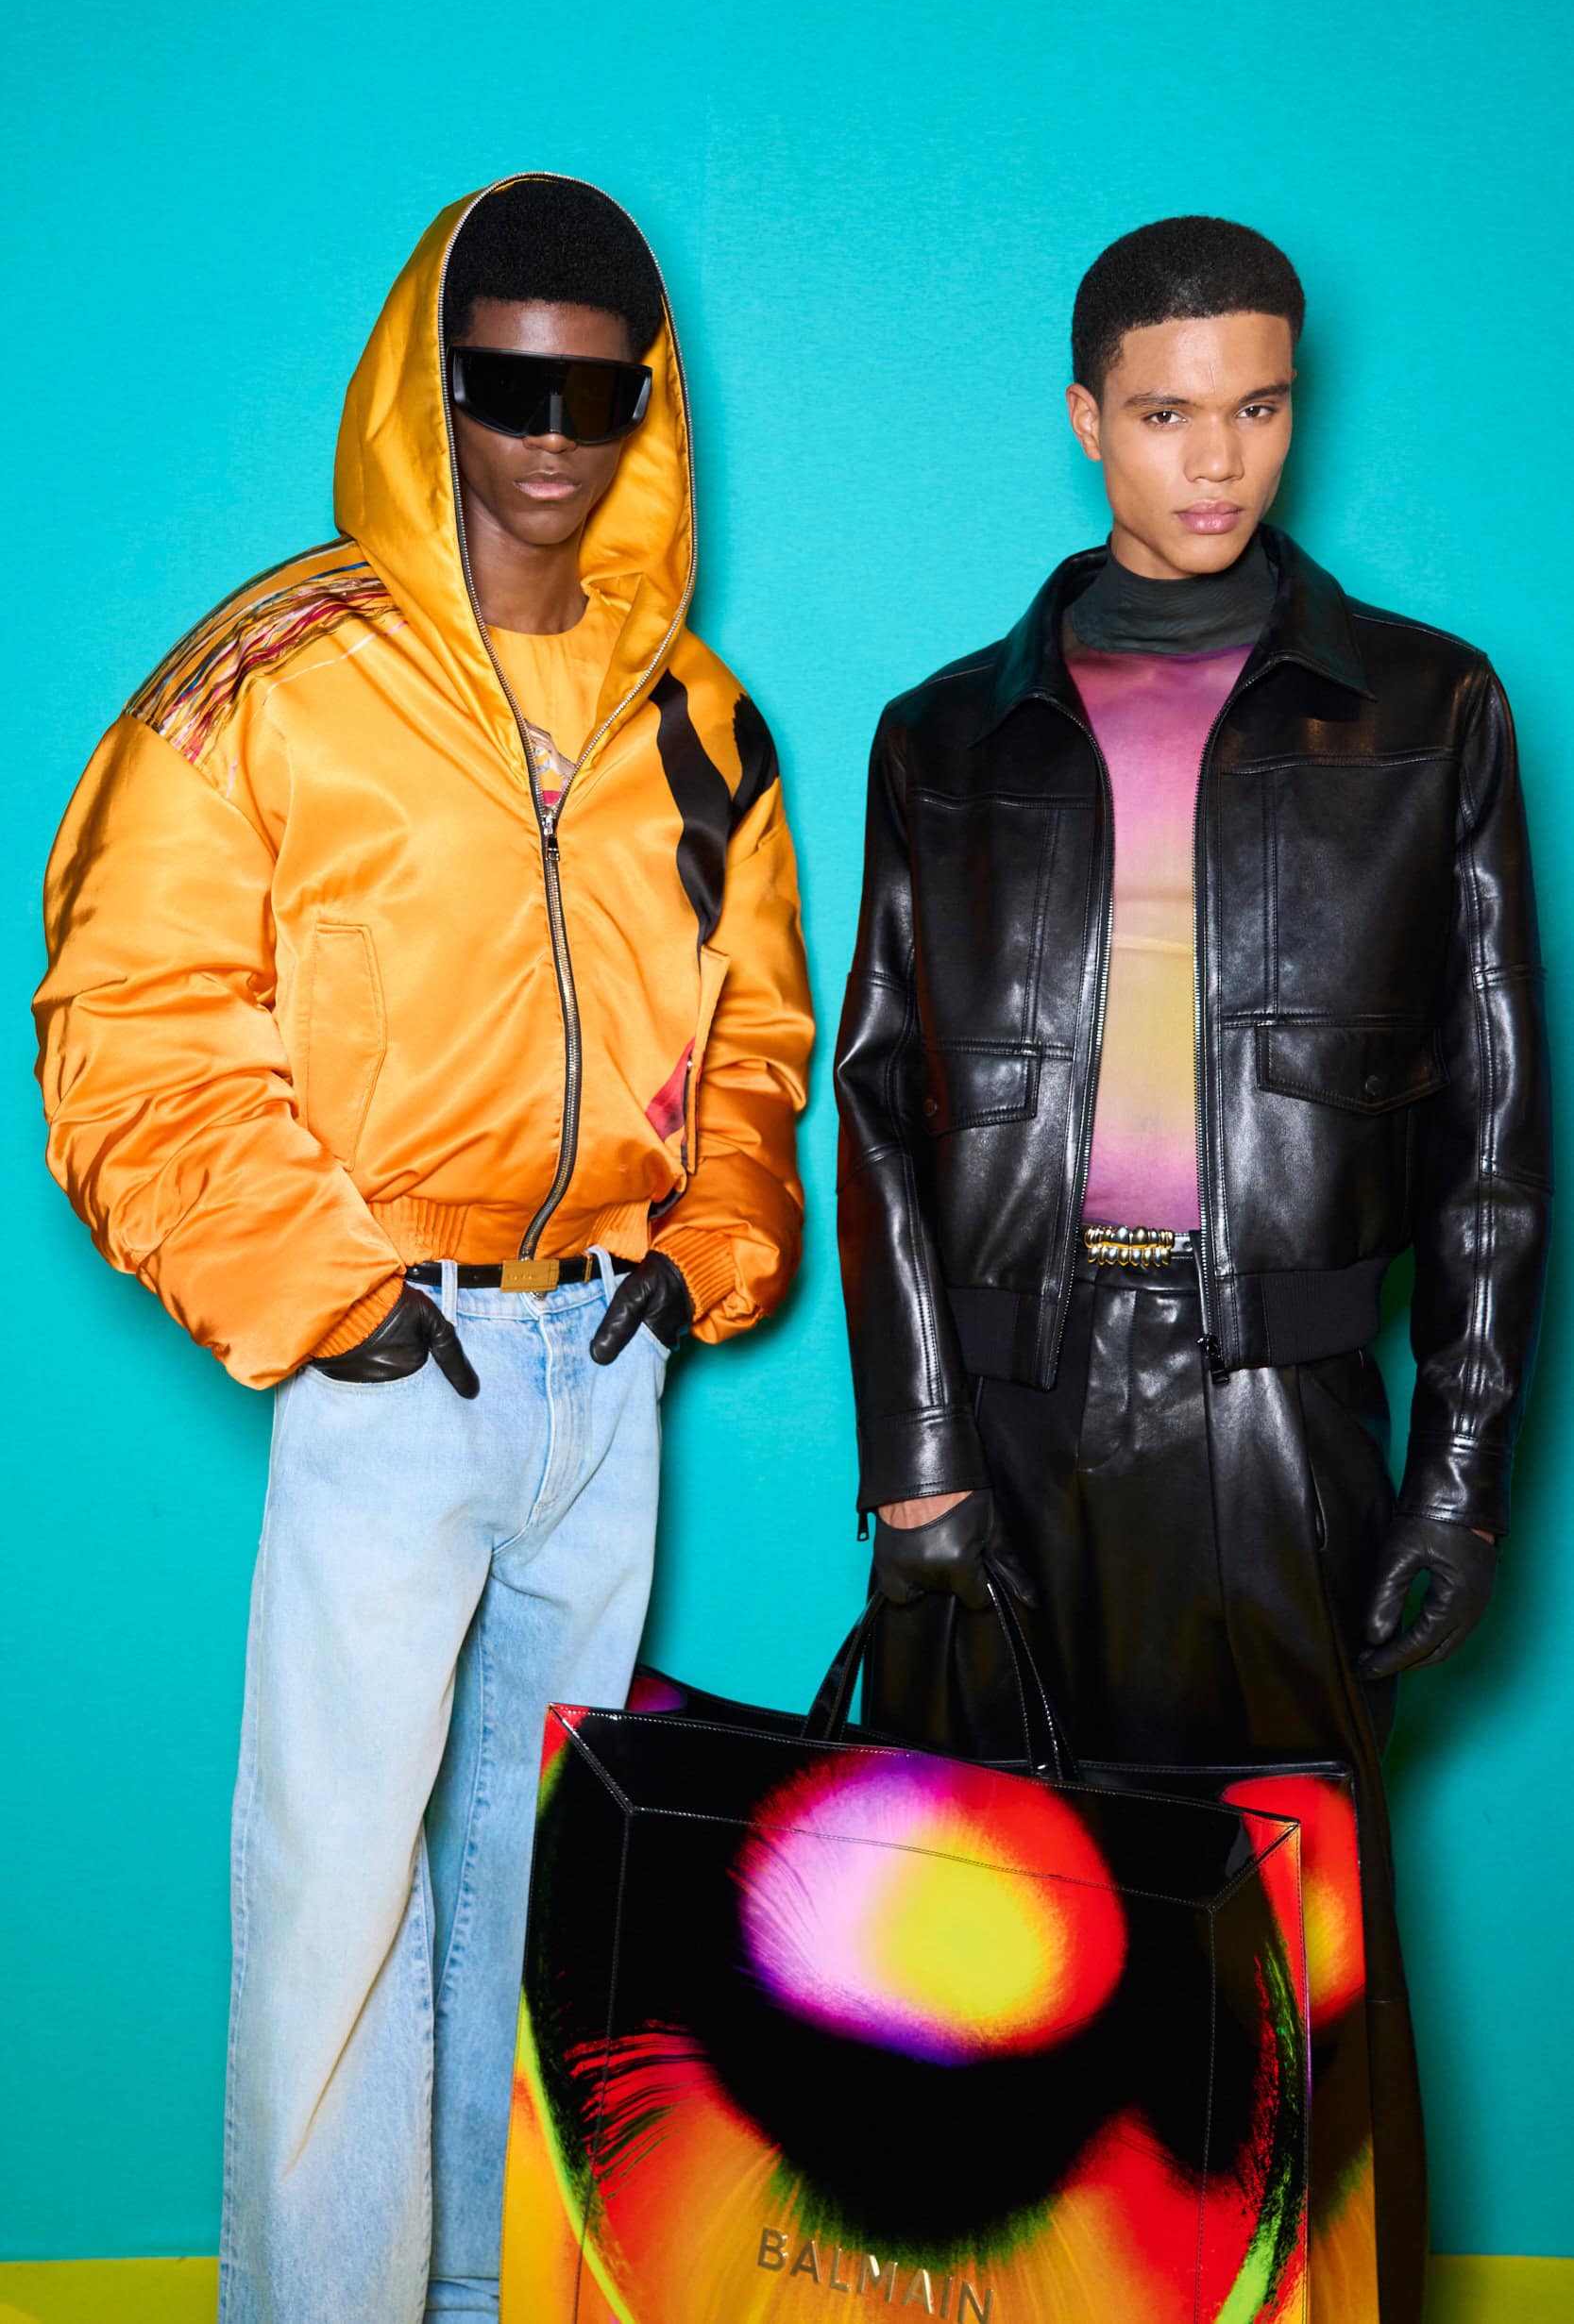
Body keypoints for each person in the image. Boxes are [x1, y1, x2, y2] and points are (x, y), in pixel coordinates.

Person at [34, 173, 813, 2324]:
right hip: (397, 1355)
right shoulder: (272, 678)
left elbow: (757, 1029)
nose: (550, 436)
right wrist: (333, 1303)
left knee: (552, 1886)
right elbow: (130, 1010)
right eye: (506, 385)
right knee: (339, 1900)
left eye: (596, 392)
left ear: (648, 404)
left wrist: (710, 1245)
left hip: (609, 1365)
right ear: (429, 386)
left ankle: (493, 2290)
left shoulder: (700, 717)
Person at [835, 216, 1549, 2323]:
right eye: (1163, 414)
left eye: (1256, 406)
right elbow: (878, 1109)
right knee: (1002, 1957)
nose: (1215, 458)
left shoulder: (1428, 708)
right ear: (1086, 421)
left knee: (1292, 1970)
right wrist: (919, 1460)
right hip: (1013, 1418)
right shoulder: (944, 736)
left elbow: (1498, 1141)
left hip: (1283, 1425)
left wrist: (1461, 1474)